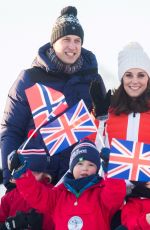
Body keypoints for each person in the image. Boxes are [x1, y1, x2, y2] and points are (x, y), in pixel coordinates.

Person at [0, 5, 106, 190]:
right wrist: (11, 176)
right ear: (54, 42)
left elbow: (102, 129)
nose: (72, 46)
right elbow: (11, 129)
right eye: (66, 39)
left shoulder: (92, 81)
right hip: (35, 177)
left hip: (74, 182)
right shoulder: (30, 78)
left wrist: (102, 113)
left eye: (77, 40)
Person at [8, 139, 134, 230]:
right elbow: (37, 195)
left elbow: (115, 195)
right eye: (79, 164)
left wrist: (112, 170)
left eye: (91, 165)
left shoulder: (101, 193)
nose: (85, 168)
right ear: (71, 167)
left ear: (97, 169)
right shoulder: (58, 195)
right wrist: (22, 174)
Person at [90, 42, 150, 229]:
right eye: (129, 75)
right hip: (112, 194)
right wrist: (98, 117)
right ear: (121, 77)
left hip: (144, 197)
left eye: (141, 75)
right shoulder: (110, 110)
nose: (135, 81)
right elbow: (93, 145)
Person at [0, 151, 54, 230]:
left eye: (35, 171)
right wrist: (9, 225)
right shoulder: (8, 199)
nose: (29, 174)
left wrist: (43, 221)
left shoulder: (53, 192)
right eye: (23, 171)